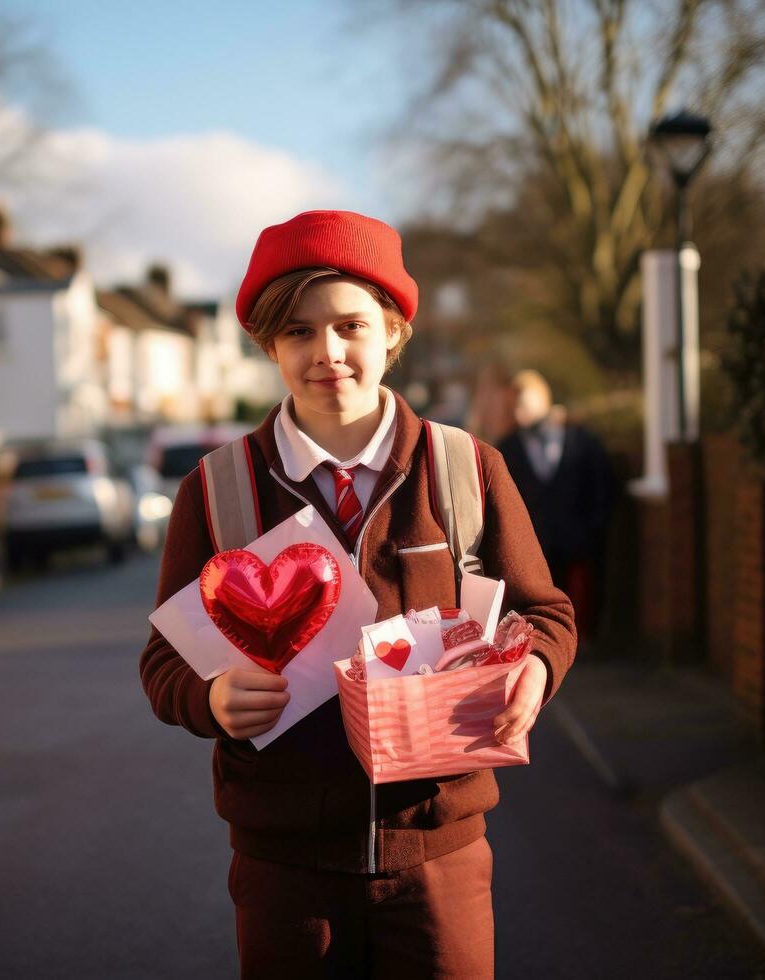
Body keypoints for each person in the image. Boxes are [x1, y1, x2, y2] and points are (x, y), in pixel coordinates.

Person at [138, 210, 577, 979]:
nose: (327, 353)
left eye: (350, 325)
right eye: (298, 332)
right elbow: (163, 663)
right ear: (270, 344)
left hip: (441, 859)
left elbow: (546, 614)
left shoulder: (466, 470)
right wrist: (208, 700)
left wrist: (535, 669)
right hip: (285, 876)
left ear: (394, 331)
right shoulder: (214, 492)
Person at [495, 369, 613, 643]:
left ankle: (582, 640)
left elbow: (600, 486)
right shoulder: (508, 447)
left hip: (577, 539)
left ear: (542, 400)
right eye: (515, 406)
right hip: (534, 543)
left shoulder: (581, 441)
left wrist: (594, 527)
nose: (520, 413)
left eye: (524, 404)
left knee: (580, 598)